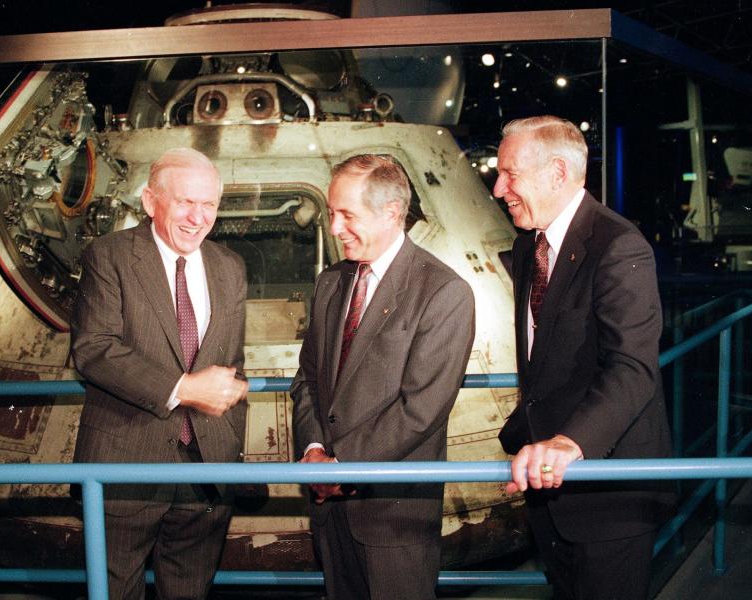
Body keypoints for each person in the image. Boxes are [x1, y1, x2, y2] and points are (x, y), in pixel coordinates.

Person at [494, 116, 674, 600]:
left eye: (510, 173)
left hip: (607, 493)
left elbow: (633, 367)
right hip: (548, 490)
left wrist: (569, 442)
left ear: (557, 172)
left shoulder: (619, 246)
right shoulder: (528, 244)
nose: (498, 188)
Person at [291, 154, 475, 600]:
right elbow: (307, 380)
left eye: (347, 215)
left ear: (392, 213)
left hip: (393, 516)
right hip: (330, 509)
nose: (334, 228)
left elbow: (420, 409)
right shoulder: (331, 283)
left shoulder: (443, 291)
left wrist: (342, 466)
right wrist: (315, 449)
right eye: (332, 213)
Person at [71, 147, 249, 600]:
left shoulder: (230, 267)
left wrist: (228, 440)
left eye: (208, 204)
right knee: (115, 588)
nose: (198, 217)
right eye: (186, 202)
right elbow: (95, 349)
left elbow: (232, 361)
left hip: (206, 469)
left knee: (190, 589)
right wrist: (185, 389)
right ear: (151, 202)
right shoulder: (108, 256)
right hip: (125, 464)